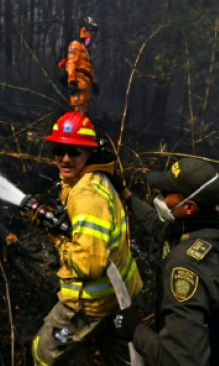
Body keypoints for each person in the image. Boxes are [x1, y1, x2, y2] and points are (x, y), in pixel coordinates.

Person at [113, 158, 219, 366]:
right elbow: (160, 230)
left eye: (167, 194)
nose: (159, 197)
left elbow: (179, 360)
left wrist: (135, 330)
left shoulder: (186, 265)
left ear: (189, 207)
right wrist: (126, 194)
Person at [31, 111, 142, 366]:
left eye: (75, 151)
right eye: (59, 149)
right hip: (117, 299)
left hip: (89, 306)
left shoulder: (87, 195)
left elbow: (89, 264)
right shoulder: (95, 177)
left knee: (41, 355)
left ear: (90, 152)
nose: (66, 158)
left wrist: (59, 241)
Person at [60, 16, 99, 114]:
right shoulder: (75, 44)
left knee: (85, 110)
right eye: (91, 31)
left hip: (86, 83)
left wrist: (94, 83)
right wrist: (72, 81)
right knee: (79, 109)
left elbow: (89, 68)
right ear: (84, 30)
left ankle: (81, 128)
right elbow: (71, 63)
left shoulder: (87, 50)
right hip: (78, 81)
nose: (93, 35)